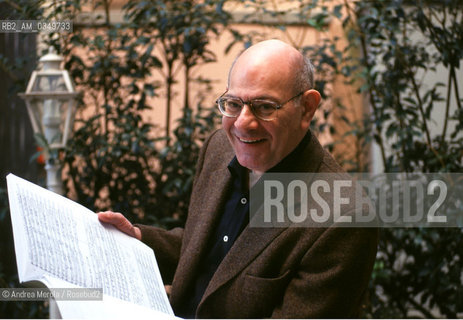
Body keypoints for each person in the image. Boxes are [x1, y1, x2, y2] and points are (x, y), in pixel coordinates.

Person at [98, 39, 378, 318]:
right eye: (233, 103)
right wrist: (137, 240)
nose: (243, 123)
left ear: (307, 108)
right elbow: (209, 250)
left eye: (265, 107)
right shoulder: (220, 148)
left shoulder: (343, 217)